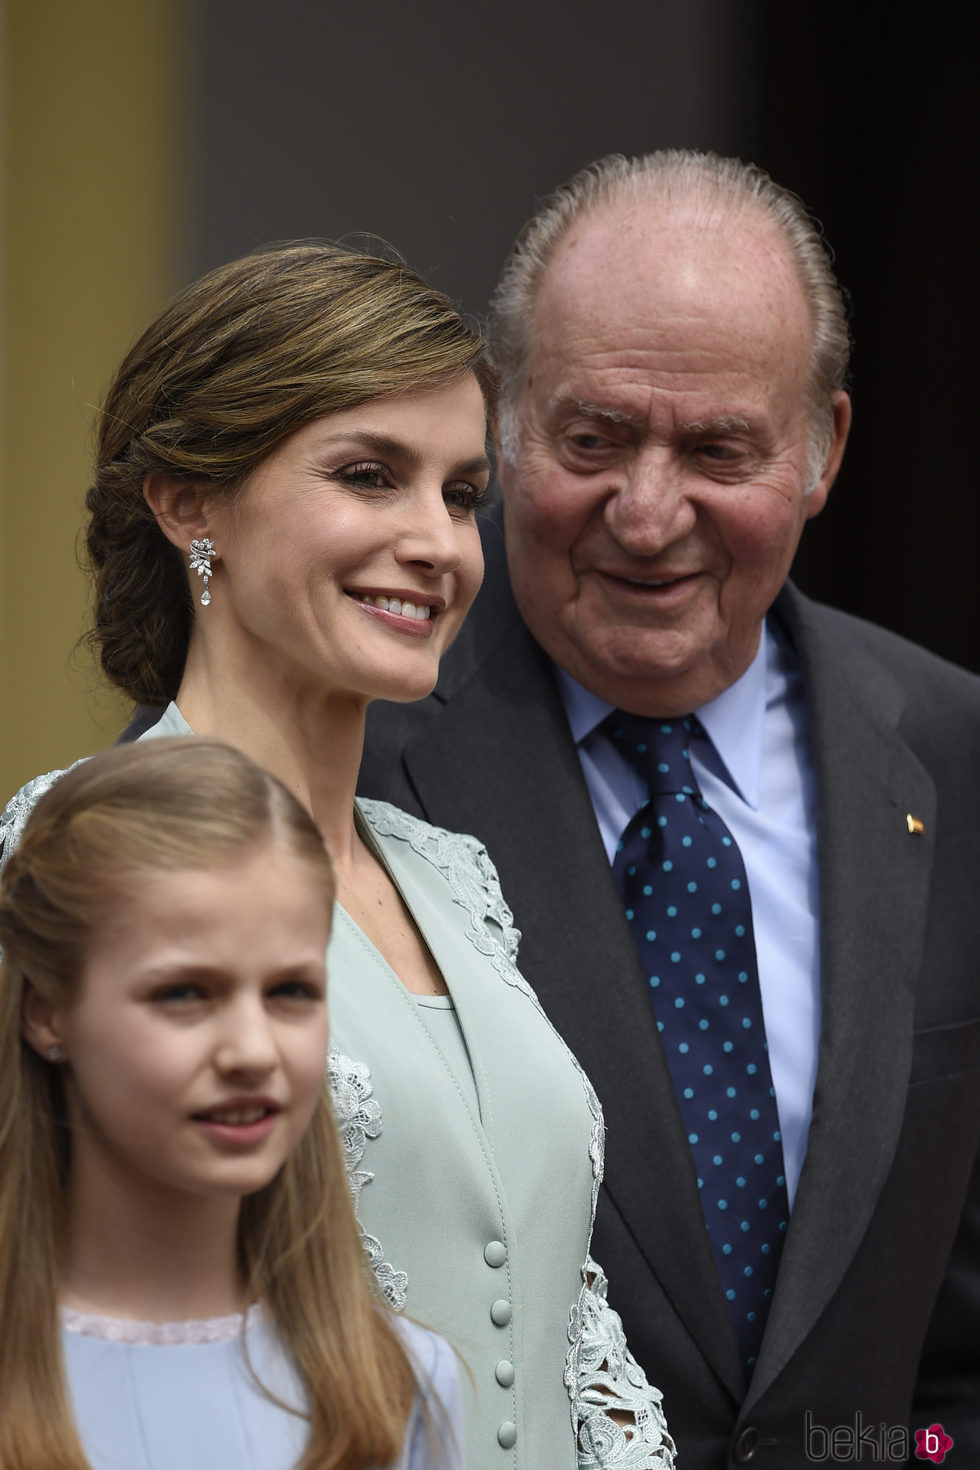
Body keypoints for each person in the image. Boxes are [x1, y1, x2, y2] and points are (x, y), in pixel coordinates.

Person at [0, 242, 674, 1470]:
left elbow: (566, 1325)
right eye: (370, 477)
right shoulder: (62, 853)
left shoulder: (452, 879)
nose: (435, 542)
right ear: (187, 501)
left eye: (461, 495)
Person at [358, 151, 980, 1467]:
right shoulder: (338, 758)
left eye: (718, 448)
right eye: (592, 438)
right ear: (507, 419)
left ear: (822, 451)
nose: (646, 514)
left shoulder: (956, 756)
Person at [0, 736, 462, 1470]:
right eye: (183, 993)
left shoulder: (395, 1390)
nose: (252, 1050)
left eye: (290, 992)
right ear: (49, 1012)